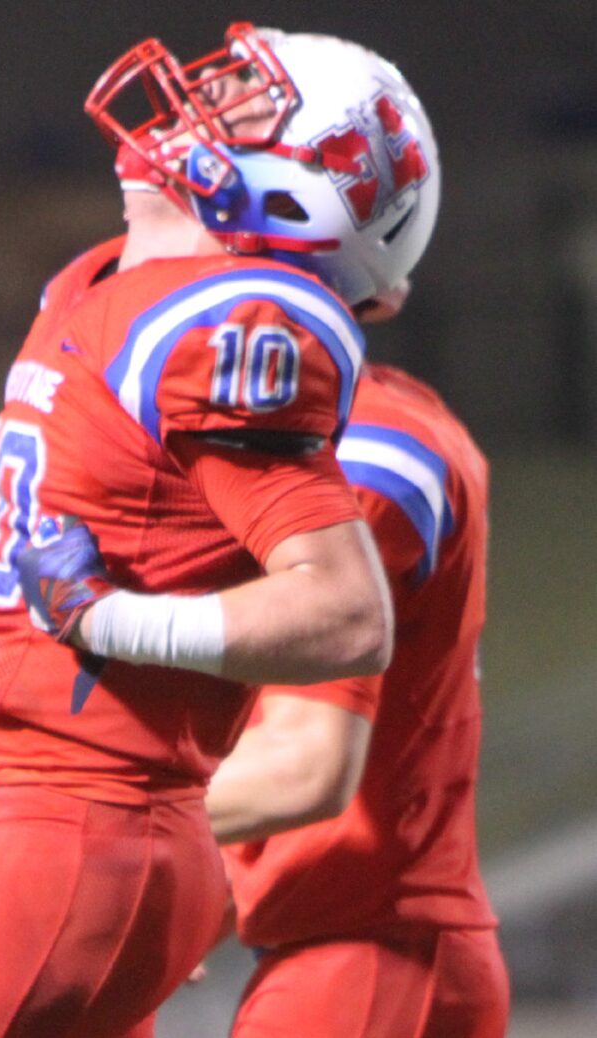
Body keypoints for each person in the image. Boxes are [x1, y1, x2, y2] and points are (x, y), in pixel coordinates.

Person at [0, 24, 440, 1038]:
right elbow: (140, 518)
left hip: (73, 830)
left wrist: (112, 620)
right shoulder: (98, 285)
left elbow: (345, 614)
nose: (190, 112)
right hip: (63, 828)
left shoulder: (224, 324)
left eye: (246, 109)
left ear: (308, 193)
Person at [203, 360, 510, 1037]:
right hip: (366, 952)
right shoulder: (367, 418)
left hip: (363, 959)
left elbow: (303, 764)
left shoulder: (355, 452)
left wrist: (111, 824)